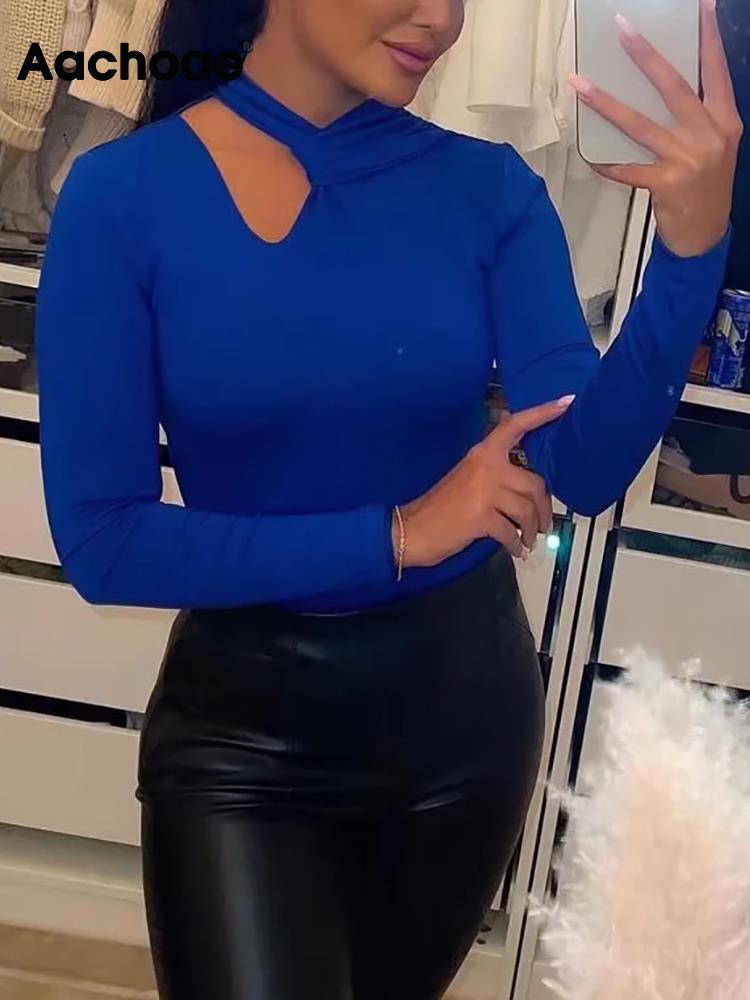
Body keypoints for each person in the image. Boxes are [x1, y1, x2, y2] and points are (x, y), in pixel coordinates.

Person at [35, 1, 741, 997]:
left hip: (460, 734)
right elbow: (105, 541)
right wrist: (397, 534)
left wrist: (689, 255)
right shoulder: (123, 197)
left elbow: (580, 467)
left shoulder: (490, 189)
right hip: (246, 738)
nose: (442, 17)